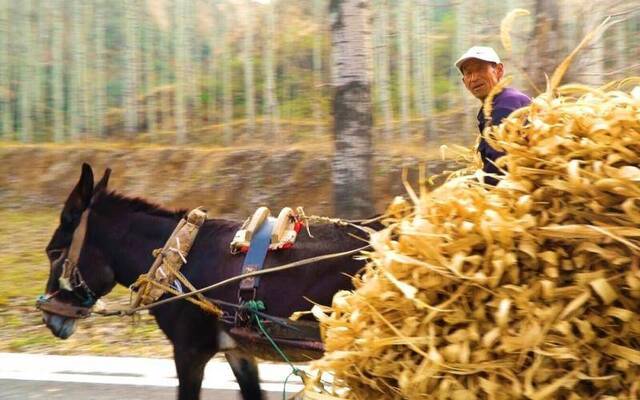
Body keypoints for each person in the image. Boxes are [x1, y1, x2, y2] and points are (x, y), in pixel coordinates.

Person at [455, 46, 531, 185]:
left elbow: (499, 171)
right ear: (464, 81)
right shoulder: (497, 104)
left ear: (499, 70)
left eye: (480, 69)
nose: (474, 78)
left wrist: (467, 187)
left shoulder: (506, 105)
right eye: (468, 73)